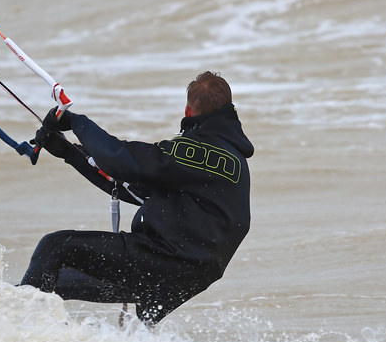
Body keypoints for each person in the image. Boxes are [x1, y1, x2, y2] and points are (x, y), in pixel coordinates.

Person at [20, 71, 253, 324]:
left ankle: (16, 331)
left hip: (166, 259)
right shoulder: (232, 159)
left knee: (54, 246)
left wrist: (76, 121)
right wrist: (70, 153)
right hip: (188, 273)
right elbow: (130, 187)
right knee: (59, 280)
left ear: (188, 111)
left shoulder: (196, 151)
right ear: (230, 109)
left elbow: (121, 160)